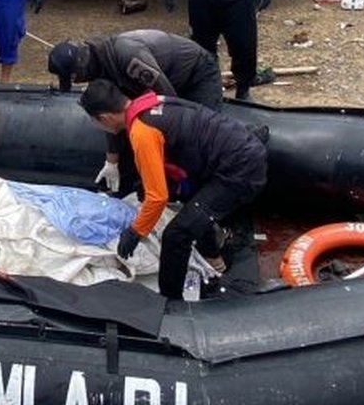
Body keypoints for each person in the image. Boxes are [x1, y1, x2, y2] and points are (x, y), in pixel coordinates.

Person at [78, 80, 267, 300]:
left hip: (238, 169)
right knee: (193, 205)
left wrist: (135, 232)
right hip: (224, 156)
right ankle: (215, 258)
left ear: (105, 118)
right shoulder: (150, 101)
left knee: (176, 236)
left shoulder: (142, 132)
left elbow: (157, 198)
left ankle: (170, 303)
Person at [48, 29, 224, 192]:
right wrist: (112, 160)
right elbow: (112, 117)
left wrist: (162, 152)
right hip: (165, 80)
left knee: (200, 138)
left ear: (82, 68)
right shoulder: (99, 67)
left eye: (76, 78)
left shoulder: (127, 56)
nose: (78, 83)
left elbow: (169, 105)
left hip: (196, 74)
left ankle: (207, 192)